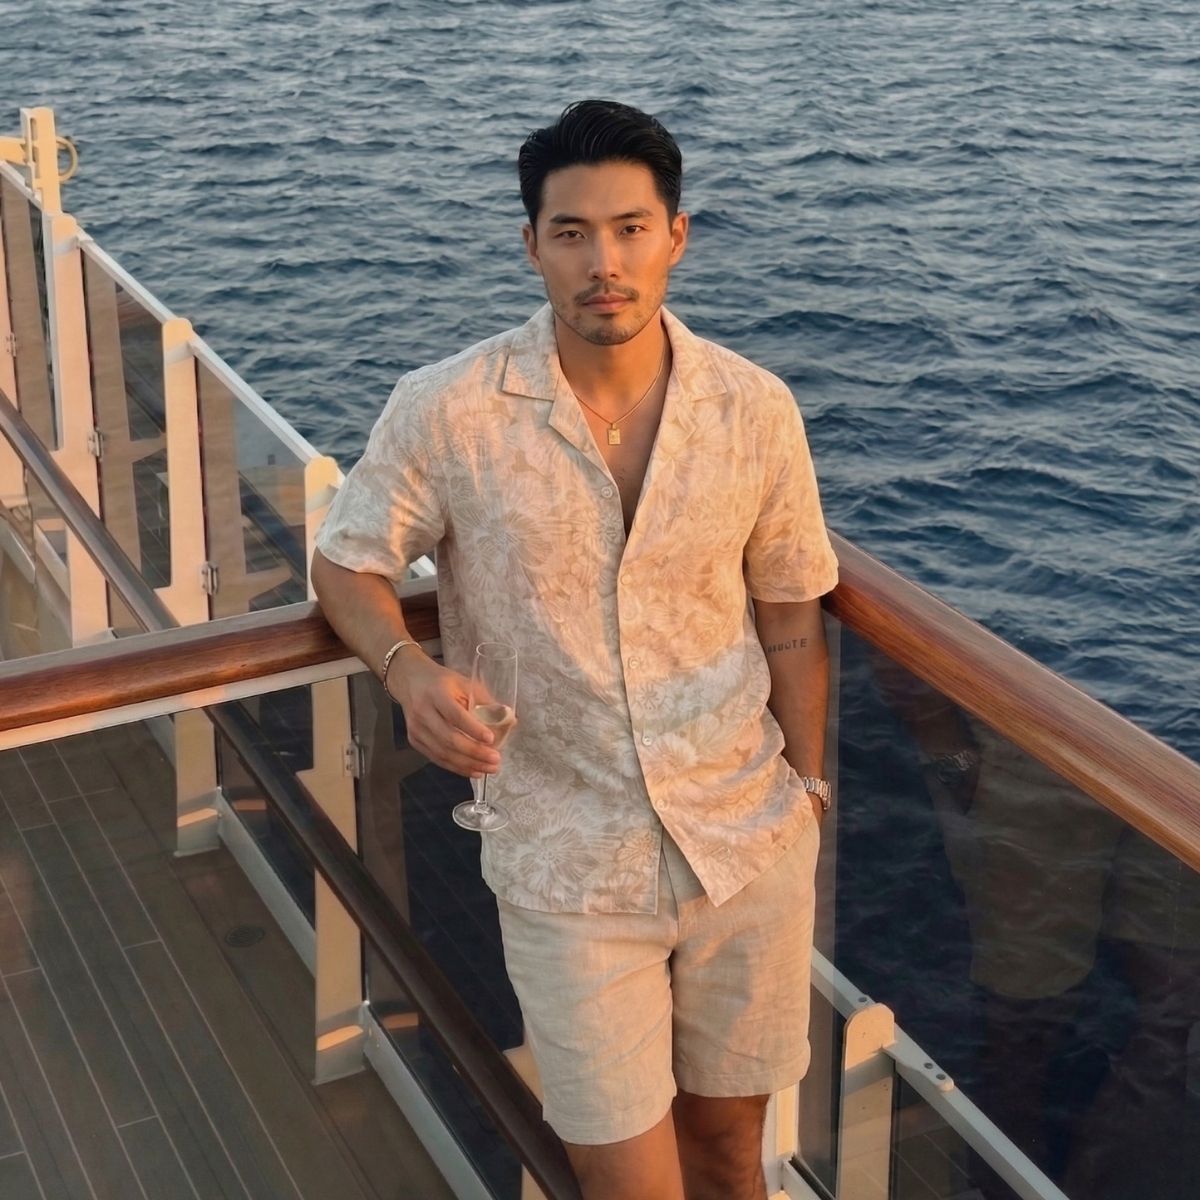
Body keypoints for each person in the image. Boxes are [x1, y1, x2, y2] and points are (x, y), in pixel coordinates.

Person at [311, 99, 839, 1200]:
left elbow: (790, 611)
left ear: (676, 236)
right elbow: (348, 561)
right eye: (572, 233)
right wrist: (407, 672)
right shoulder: (451, 411)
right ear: (533, 245)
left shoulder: (754, 410)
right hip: (564, 858)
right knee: (621, 1183)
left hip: (746, 841)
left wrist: (810, 784)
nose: (606, 261)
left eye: (632, 227)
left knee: (736, 1161)